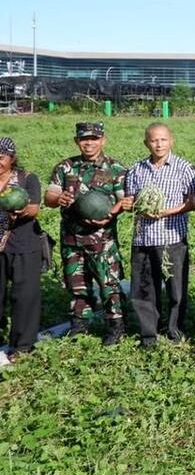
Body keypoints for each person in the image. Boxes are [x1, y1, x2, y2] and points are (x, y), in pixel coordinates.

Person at [44, 121, 129, 345]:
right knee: (76, 283)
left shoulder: (115, 169)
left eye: (94, 138)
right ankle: (80, 324)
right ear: (77, 141)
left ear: (103, 140)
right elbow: (49, 197)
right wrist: (58, 198)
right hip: (72, 239)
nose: (89, 143)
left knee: (108, 284)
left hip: (102, 240)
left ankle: (116, 326)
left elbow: (124, 200)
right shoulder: (65, 167)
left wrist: (110, 214)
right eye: (84, 139)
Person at [122, 123, 195, 348]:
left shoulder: (185, 168)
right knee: (143, 288)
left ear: (171, 140)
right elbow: (130, 199)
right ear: (146, 143)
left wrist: (167, 211)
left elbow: (194, 202)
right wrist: (133, 206)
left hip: (171, 238)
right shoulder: (136, 169)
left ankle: (175, 332)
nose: (159, 144)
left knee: (176, 289)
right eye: (154, 140)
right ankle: (149, 334)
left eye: (163, 139)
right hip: (143, 238)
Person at [0, 137, 47, 358]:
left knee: (25, 296)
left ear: (12, 158)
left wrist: (21, 210)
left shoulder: (27, 178)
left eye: (1, 157)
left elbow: (34, 208)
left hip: (24, 244)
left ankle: (22, 347)